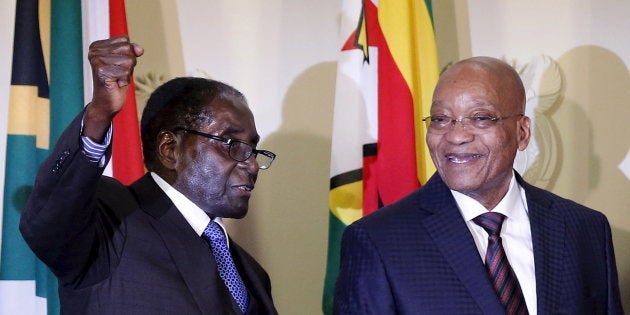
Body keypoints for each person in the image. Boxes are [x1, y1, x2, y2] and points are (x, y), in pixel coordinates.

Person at [333, 56, 623, 314]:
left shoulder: (585, 229)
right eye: (440, 119)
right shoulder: (379, 241)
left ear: (522, 133)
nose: (456, 136)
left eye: (481, 118)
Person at [20, 36, 278, 315]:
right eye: (232, 145)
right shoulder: (109, 220)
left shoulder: (251, 272)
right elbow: (49, 218)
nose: (251, 165)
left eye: (253, 149)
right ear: (170, 149)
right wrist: (98, 115)